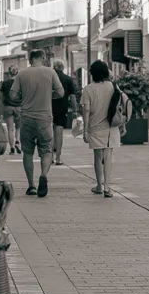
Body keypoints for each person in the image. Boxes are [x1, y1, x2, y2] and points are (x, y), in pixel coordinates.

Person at [9, 49, 64, 197]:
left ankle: (31, 185)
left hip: (26, 117)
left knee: (27, 151)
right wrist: (48, 94)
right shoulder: (50, 72)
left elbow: (12, 95)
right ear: (43, 58)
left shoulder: (21, 74)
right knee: (46, 150)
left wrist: (23, 98)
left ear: (29, 59)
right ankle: (44, 175)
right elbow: (61, 92)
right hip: (45, 118)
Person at [80, 60, 126, 198]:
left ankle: (99, 186)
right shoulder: (113, 87)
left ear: (92, 74)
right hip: (111, 127)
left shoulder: (88, 89)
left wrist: (85, 130)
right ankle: (107, 187)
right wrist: (123, 125)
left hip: (95, 128)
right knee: (108, 156)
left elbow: (86, 111)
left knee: (98, 157)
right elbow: (119, 109)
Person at [51, 61, 78, 166]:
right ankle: (58, 158)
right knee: (59, 134)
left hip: (49, 108)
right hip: (62, 109)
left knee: (50, 134)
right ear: (62, 67)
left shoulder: (50, 78)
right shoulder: (68, 79)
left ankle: (50, 158)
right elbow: (72, 97)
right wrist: (75, 110)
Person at [0, 66, 21, 154]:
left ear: (9, 73)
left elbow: (1, 96)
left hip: (8, 107)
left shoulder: (5, 83)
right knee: (18, 128)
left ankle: (11, 148)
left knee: (10, 129)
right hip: (19, 107)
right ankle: (18, 142)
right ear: (17, 73)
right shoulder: (20, 83)